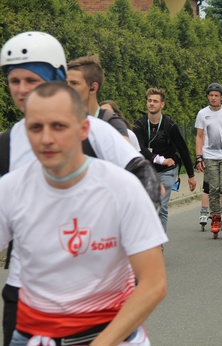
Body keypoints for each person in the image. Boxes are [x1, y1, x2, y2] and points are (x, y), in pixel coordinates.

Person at [0, 31, 162, 345]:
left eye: (32, 80)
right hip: (26, 292)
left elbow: (147, 180)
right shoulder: (6, 143)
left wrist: (125, 239)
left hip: (95, 284)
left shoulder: (94, 130)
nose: (22, 90)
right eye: (13, 81)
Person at [133, 88, 197, 232]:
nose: (151, 104)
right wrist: (158, 159)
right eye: (149, 101)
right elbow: (140, 148)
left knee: (161, 207)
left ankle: (159, 245)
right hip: (147, 171)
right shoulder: (139, 125)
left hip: (168, 170)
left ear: (162, 104)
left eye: (155, 101)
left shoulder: (170, 125)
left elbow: (183, 149)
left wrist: (191, 175)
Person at [195, 83, 222, 237]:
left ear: (221, 97)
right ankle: (215, 218)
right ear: (208, 96)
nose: (213, 98)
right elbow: (199, 136)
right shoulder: (202, 113)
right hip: (210, 156)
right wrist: (198, 156)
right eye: (211, 95)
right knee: (213, 188)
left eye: (216, 96)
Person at [66, 55, 129, 141]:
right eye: (66, 83)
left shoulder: (112, 123)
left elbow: (126, 152)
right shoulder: (62, 120)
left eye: (74, 83)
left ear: (93, 88)